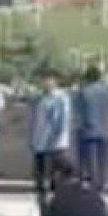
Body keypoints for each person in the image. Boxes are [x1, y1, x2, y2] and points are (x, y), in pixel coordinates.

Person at [29, 72, 73, 205]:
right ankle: (42, 198)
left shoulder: (61, 98)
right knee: (40, 172)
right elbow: (34, 118)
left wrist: (58, 134)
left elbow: (63, 119)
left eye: (48, 80)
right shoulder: (38, 98)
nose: (45, 83)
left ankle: (60, 194)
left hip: (55, 141)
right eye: (43, 80)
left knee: (62, 168)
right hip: (39, 140)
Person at [75, 66, 108, 189]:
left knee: (90, 158)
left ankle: (94, 181)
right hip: (106, 129)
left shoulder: (84, 92)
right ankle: (102, 181)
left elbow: (79, 112)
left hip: (89, 129)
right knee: (103, 158)